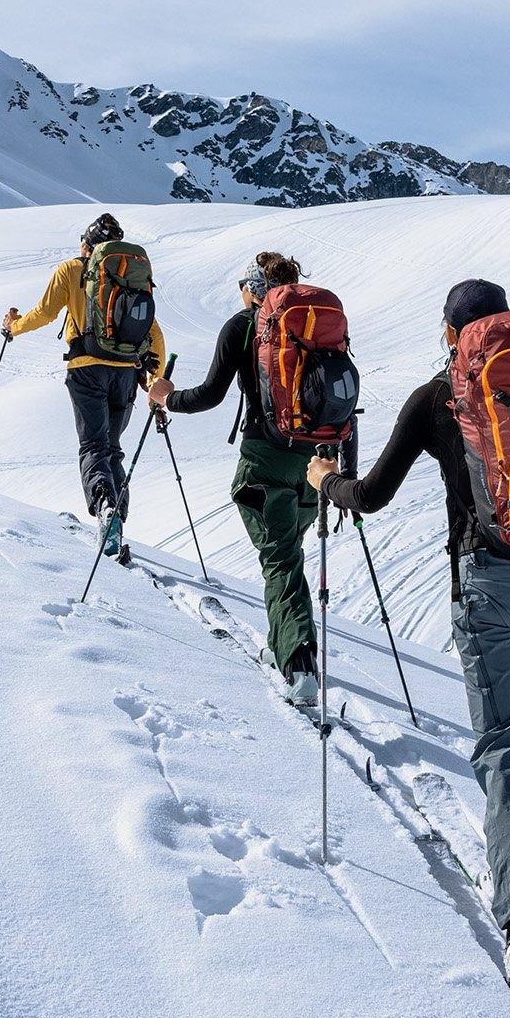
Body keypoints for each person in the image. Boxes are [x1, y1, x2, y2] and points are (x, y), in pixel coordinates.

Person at [307, 278, 510, 993]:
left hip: (490, 586)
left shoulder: (439, 398)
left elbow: (369, 496)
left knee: (503, 747)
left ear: (452, 333)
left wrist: (323, 482)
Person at [146, 252, 326, 709]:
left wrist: (168, 398)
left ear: (253, 286)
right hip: (315, 462)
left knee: (280, 559)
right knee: (287, 552)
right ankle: (279, 641)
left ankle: (301, 665)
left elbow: (209, 395)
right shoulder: (315, 325)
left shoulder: (244, 325)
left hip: (264, 458)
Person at [3, 213, 167, 559]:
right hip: (126, 372)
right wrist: (155, 382)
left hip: (86, 368)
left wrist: (13, 327)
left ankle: (105, 508)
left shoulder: (71, 269)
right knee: (113, 447)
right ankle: (116, 518)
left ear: (86, 243)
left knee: (93, 445)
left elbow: (45, 314)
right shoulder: (129, 278)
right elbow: (154, 333)